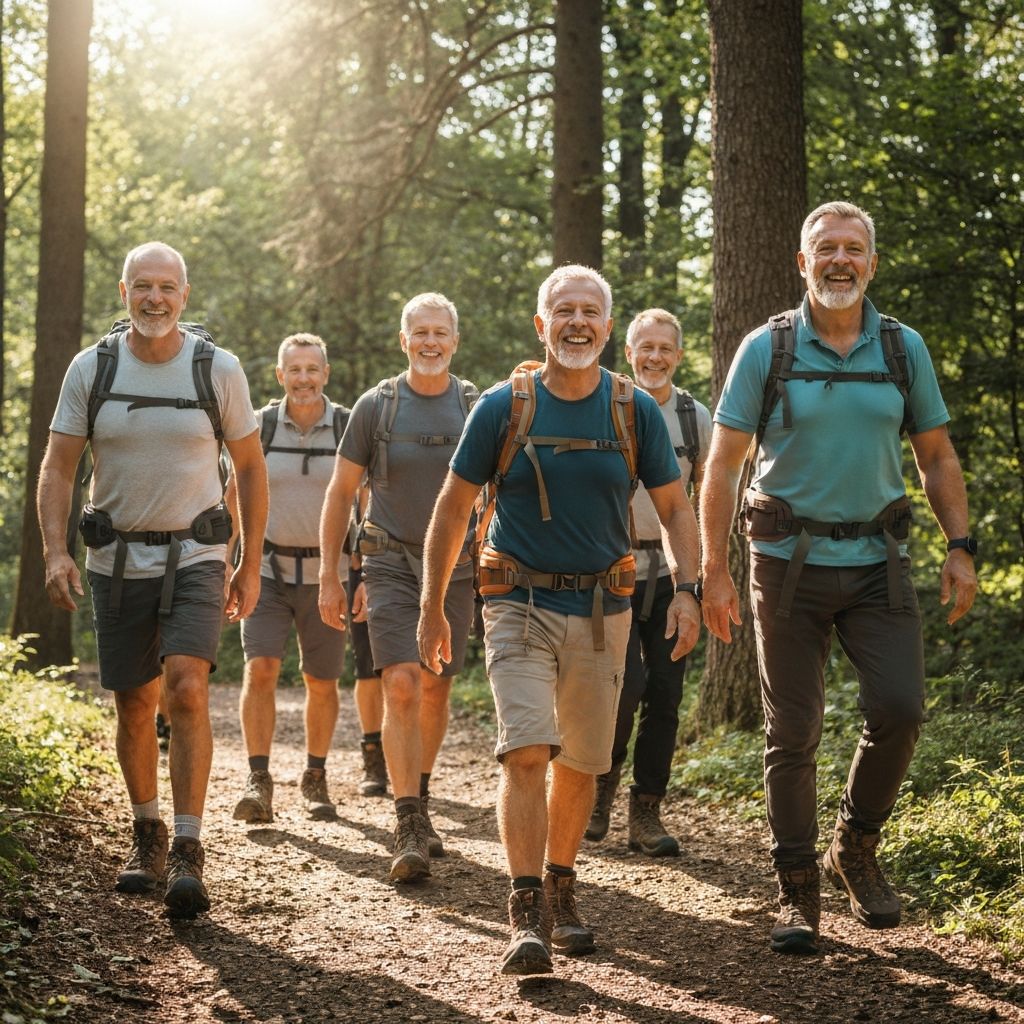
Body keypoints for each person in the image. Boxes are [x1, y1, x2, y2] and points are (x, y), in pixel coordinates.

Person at [699, 201, 977, 955]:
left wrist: (961, 544)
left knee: (902, 707)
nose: (840, 260)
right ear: (802, 262)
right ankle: (795, 885)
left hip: (879, 563)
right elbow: (722, 463)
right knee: (793, 730)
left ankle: (852, 847)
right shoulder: (768, 348)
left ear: (872, 263)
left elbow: (937, 455)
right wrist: (712, 569)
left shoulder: (901, 347)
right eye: (826, 248)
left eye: (854, 248)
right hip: (784, 565)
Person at [417, 266, 701, 976]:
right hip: (515, 602)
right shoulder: (502, 407)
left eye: (591, 312)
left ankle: (561, 884)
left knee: (581, 763)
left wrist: (691, 588)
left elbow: (674, 509)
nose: (578, 322)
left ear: (609, 326)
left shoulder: (634, 411)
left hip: (606, 611)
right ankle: (524, 911)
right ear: (540, 326)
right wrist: (432, 606)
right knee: (527, 749)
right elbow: (453, 508)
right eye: (563, 311)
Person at [39, 241, 267, 918]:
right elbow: (58, 468)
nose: (155, 298)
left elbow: (250, 468)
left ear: (185, 296)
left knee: (187, 687)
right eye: (144, 286)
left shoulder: (216, 369)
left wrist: (248, 562)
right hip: (115, 558)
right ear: (124, 292)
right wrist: (56, 550)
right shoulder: (93, 368)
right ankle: (148, 835)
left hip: (196, 555)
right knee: (135, 705)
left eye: (168, 287)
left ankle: (190, 851)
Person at [319, 292, 477, 882]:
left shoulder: (472, 405)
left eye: (441, 332)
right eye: (420, 332)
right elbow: (340, 493)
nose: (430, 342)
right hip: (385, 560)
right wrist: (331, 574)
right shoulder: (376, 406)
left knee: (435, 686)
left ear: (454, 342)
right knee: (403, 684)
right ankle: (407, 820)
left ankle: (423, 797)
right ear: (403, 339)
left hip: (456, 569)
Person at [585, 308, 711, 857]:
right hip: (610, 572)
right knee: (621, 687)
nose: (654, 357)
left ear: (678, 356)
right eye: (645, 348)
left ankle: (647, 811)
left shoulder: (694, 417)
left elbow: (705, 501)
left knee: (665, 694)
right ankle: (598, 789)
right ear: (629, 352)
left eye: (665, 348)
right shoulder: (608, 407)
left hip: (670, 577)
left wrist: (699, 582)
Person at [228, 333, 350, 825]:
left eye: (312, 369)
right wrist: (228, 563)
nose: (303, 378)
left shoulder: (346, 426)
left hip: (329, 574)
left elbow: (364, 503)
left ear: (325, 374)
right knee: (261, 669)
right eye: (293, 370)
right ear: (280, 376)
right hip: (267, 572)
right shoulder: (256, 426)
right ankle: (259, 779)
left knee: (321, 681)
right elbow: (233, 498)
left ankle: (314, 776)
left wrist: (355, 574)